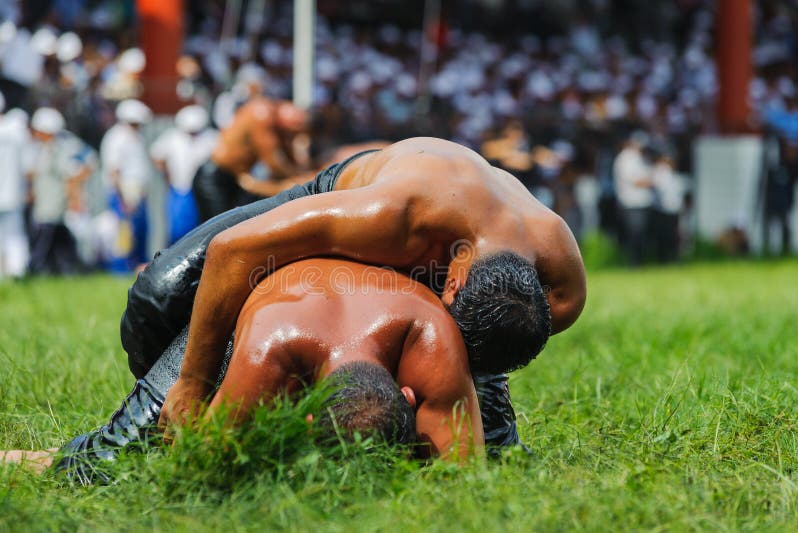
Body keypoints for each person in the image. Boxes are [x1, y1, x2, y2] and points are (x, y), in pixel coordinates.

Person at [122, 137, 586, 452]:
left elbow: (494, 338)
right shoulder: (392, 217)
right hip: (349, 193)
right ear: (455, 280)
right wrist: (193, 383)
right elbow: (232, 254)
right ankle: (159, 411)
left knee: (488, 435)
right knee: (158, 295)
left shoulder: (561, 290)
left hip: (453, 245)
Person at [5, 258, 484, 483]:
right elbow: (196, 465)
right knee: (118, 462)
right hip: (222, 309)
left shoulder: (434, 334)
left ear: (408, 396)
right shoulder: (267, 352)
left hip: (336, 291)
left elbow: (461, 480)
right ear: (408, 395)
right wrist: (193, 389)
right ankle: (33, 459)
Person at [192, 98, 310, 221]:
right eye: (293, 129)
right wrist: (302, 179)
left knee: (234, 228)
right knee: (218, 230)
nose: (292, 135)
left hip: (234, 178)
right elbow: (274, 165)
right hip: (213, 178)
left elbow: (293, 163)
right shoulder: (261, 115)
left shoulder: (277, 125)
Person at [25, 108, 92, 275]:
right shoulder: (45, 149)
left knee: (44, 244)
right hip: (46, 206)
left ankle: (35, 271)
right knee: (59, 246)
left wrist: (74, 198)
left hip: (52, 208)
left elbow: (73, 175)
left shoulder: (58, 150)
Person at [150, 105, 218, 244]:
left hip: (204, 192)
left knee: (203, 227)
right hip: (180, 189)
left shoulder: (212, 137)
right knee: (178, 229)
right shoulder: (172, 137)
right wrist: (167, 176)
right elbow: (157, 156)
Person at [99, 99, 152, 272]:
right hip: (125, 192)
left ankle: (136, 267)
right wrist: (122, 198)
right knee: (124, 233)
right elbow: (114, 171)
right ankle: (120, 269)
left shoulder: (135, 137)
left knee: (137, 232)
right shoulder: (117, 137)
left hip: (136, 191)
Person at [0, 98, 30, 279]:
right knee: (15, 235)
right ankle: (16, 273)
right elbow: (27, 163)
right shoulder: (16, 129)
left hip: (10, 192)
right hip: (12, 192)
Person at [613, 132, 653, 265]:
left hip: (639, 203)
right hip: (632, 203)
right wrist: (652, 180)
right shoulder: (626, 158)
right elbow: (636, 181)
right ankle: (634, 263)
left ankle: (638, 262)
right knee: (635, 236)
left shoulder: (638, 157)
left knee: (640, 236)